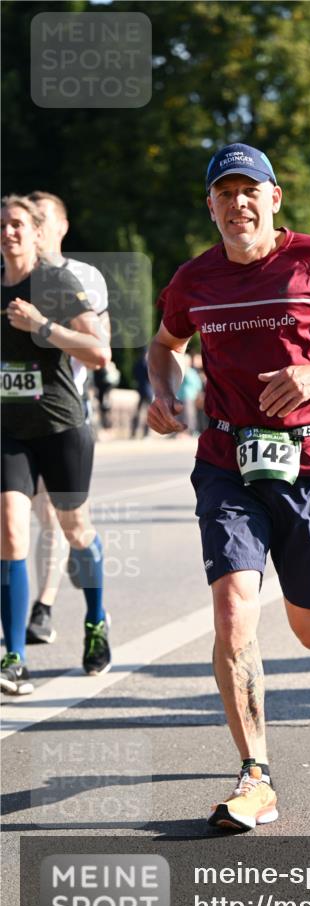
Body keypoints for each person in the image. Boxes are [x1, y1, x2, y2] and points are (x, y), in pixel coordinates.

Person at [146, 143, 310, 831]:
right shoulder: (193, 280)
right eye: (224, 194)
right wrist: (162, 392)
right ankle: (254, 774)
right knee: (234, 610)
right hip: (227, 459)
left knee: (307, 624)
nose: (238, 204)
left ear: (274, 198)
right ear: (210, 206)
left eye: (249, 191)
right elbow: (163, 343)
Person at [1, 195, 112, 695]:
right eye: (2, 225)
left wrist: (41, 327)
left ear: (36, 231)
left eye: (19, 224)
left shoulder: (56, 282)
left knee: (76, 531)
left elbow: (99, 352)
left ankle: (95, 619)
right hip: (8, 431)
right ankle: (14, 657)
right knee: (10, 531)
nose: (10, 232)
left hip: (61, 425)